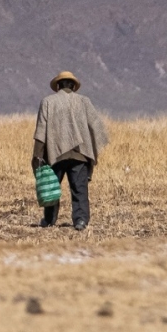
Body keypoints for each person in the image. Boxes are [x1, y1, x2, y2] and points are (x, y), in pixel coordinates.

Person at [32, 71, 110, 231]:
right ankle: (80, 220)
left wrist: (37, 156)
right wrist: (92, 153)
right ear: (73, 86)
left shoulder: (47, 102)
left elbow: (41, 131)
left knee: (51, 187)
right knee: (79, 189)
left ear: (58, 86)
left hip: (55, 154)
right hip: (80, 154)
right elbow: (97, 128)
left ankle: (49, 220)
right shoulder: (84, 102)